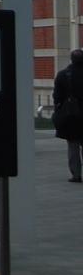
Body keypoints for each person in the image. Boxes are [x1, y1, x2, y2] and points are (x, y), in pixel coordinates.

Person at [53, 47, 83, 182]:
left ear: (71, 59)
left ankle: (76, 174)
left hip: (71, 116)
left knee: (73, 145)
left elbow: (57, 96)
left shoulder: (63, 75)